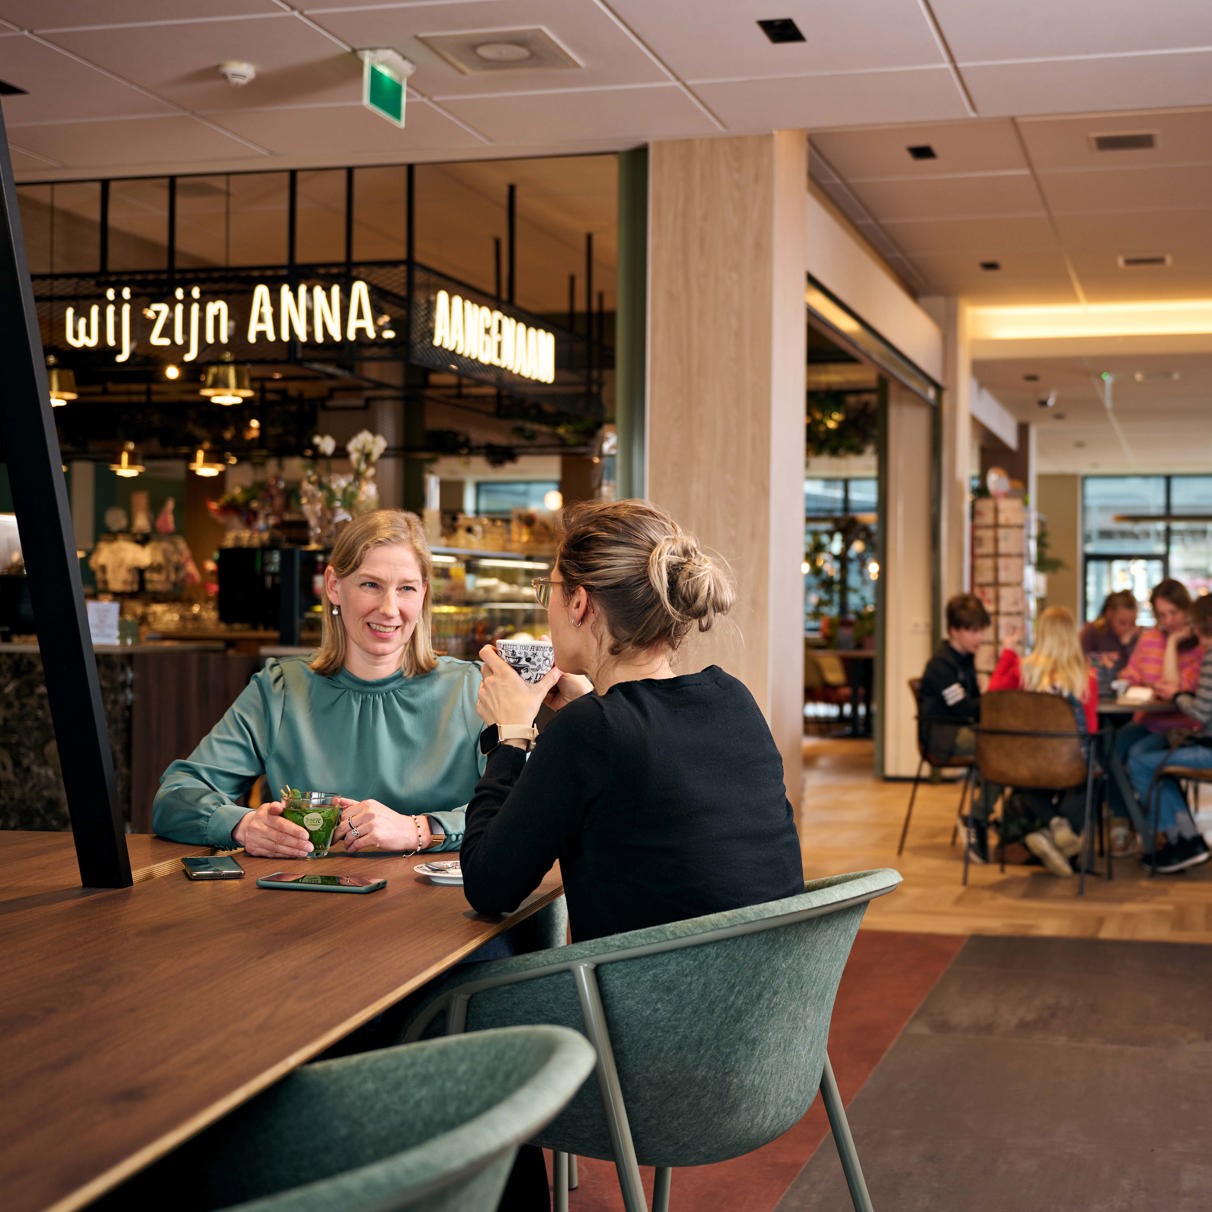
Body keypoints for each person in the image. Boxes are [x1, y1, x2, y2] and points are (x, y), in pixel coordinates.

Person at [461, 498, 804, 943]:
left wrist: (509, 737)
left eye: (550, 589)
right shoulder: (733, 699)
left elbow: (489, 887)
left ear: (579, 603)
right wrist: (594, 705)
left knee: (444, 1003)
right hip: (770, 998)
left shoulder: (591, 731)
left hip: (642, 1005)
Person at [152, 510, 480, 856]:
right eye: (371, 585)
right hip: (305, 901)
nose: (389, 608)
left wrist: (422, 829)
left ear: (424, 594)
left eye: (407, 589)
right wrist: (243, 825)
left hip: (438, 904)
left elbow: (523, 810)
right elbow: (174, 799)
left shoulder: (471, 690)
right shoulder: (279, 689)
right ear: (334, 587)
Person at [986, 607, 1097, 877]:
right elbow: (1091, 729)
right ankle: (1060, 833)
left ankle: (1051, 826)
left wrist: (1009, 652)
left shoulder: (1024, 671)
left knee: (1023, 781)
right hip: (1070, 765)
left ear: (1041, 635)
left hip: (1028, 766)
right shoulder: (1085, 677)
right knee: (1094, 772)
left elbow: (993, 696)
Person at [1126, 593, 1212, 874]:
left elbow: (1200, 713)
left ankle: (1181, 842)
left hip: (1205, 746)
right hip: (1195, 739)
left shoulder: (1209, 656)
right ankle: (1184, 839)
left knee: (1140, 763)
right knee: (1148, 759)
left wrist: (1177, 696)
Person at [917, 593, 990, 861]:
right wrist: (992, 700)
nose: (979, 637)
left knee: (999, 749)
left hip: (959, 728)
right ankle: (977, 819)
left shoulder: (964, 659)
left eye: (981, 630)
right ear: (954, 631)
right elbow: (962, 709)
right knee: (996, 750)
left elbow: (970, 704)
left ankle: (980, 817)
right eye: (973, 631)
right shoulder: (941, 666)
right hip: (943, 735)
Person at [1080, 589, 1140, 697]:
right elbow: (1078, 661)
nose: (1128, 628)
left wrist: (1128, 644)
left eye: (1132, 622)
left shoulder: (1136, 636)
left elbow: (1137, 669)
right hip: (1098, 696)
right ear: (1109, 614)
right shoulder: (1092, 631)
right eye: (1122, 622)